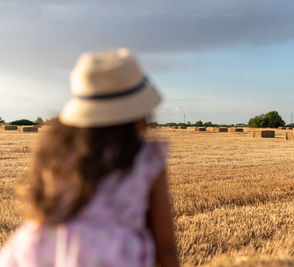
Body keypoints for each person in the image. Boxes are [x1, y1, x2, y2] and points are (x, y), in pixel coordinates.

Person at [0, 48, 180, 267]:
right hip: (111, 257)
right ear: (140, 111)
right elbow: (166, 247)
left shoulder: (56, 148)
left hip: (38, 250)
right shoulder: (145, 157)